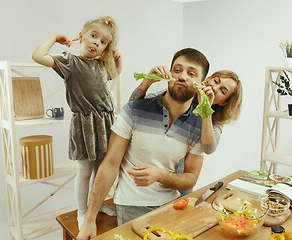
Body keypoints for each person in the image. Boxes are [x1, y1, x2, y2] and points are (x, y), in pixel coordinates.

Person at [76, 48, 209, 240]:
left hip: (173, 204)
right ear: (169, 74)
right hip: (132, 205)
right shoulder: (134, 110)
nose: (182, 76)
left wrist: (160, 175)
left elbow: (190, 178)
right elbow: (110, 165)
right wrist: (89, 219)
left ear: (201, 84)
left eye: (191, 73)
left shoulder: (199, 126)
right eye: (177, 70)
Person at [31, 16, 122, 229]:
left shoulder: (101, 65)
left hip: (106, 123)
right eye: (93, 36)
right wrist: (55, 38)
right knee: (85, 171)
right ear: (81, 37)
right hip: (86, 125)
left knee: (101, 169)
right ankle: (82, 212)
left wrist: (118, 60)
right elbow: (37, 55)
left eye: (102, 42)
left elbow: (115, 74)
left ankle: (96, 205)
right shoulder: (70, 62)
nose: (96, 43)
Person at [130, 69, 243, 195]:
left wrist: (206, 106)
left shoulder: (217, 119)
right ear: (208, 79)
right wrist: (147, 82)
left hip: (179, 173)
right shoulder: (181, 90)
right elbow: (131, 110)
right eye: (216, 81)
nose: (214, 87)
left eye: (223, 91)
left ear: (224, 102)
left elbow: (209, 147)